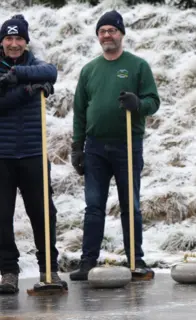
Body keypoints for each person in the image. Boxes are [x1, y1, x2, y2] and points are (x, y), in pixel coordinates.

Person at [69, 10, 160, 280]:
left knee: (130, 205)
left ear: (121, 34)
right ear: (98, 36)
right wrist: (77, 147)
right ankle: (87, 263)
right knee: (94, 206)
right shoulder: (89, 70)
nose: (107, 35)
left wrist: (138, 104)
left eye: (112, 30)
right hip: (95, 148)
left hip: (127, 145)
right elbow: (79, 111)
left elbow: (153, 101)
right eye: (102, 31)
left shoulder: (138, 66)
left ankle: (136, 261)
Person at [0, 14, 65, 293]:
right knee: (2, 216)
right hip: (2, 155)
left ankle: (48, 268)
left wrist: (15, 77)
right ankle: (8, 272)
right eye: (9, 38)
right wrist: (28, 90)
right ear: (1, 41)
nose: (14, 44)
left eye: (19, 39)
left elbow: (50, 72)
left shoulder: (34, 63)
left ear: (26, 42)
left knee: (43, 213)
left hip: (33, 154)